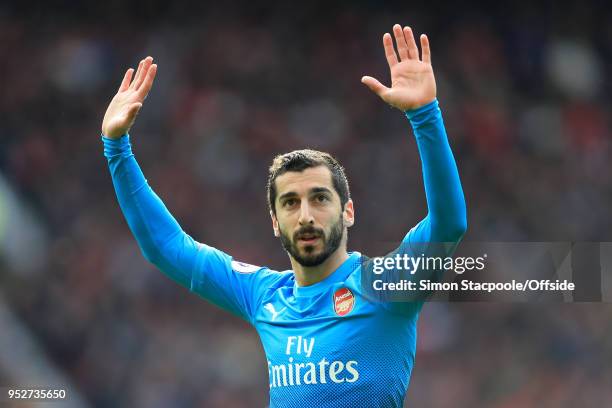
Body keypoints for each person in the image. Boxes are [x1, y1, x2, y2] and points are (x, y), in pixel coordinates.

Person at [101, 24, 466, 407]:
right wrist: (116, 148)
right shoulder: (265, 295)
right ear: (275, 222)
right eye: (290, 203)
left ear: (348, 212)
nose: (306, 215)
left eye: (320, 199)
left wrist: (425, 115)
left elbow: (449, 223)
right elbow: (166, 247)